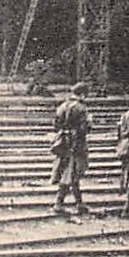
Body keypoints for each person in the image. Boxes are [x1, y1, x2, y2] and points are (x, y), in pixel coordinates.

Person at [51, 83, 92, 214]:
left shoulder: (62, 106)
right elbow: (84, 129)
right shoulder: (81, 108)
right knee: (70, 173)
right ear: (83, 94)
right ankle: (58, 203)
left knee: (70, 173)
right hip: (76, 144)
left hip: (63, 143)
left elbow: (55, 125)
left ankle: (79, 203)